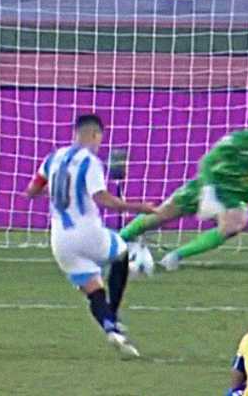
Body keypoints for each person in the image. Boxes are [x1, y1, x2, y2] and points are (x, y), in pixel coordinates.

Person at [119, 104, 248, 272]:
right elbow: (207, 161)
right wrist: (208, 193)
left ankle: (175, 256)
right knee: (161, 215)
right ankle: (118, 240)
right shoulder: (240, 140)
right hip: (207, 185)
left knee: (234, 224)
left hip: (233, 198)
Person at [24, 114, 157, 358]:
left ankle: (110, 328)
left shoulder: (52, 158)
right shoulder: (90, 161)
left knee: (94, 290)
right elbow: (103, 200)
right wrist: (141, 208)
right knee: (122, 252)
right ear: (96, 135)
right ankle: (113, 313)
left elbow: (31, 191)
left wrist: (56, 194)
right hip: (88, 232)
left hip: (60, 240)